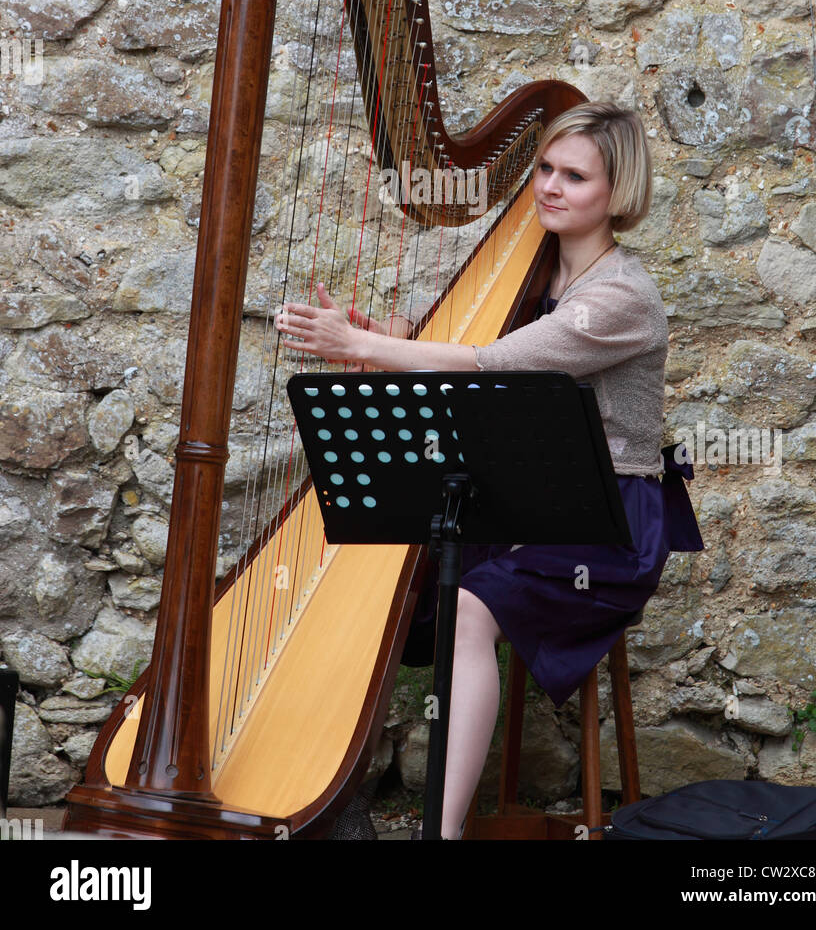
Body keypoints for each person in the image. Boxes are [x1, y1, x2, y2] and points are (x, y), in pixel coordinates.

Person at [274, 100, 703, 840]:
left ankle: (439, 836)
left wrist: (371, 350)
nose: (549, 187)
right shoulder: (536, 278)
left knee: (470, 609)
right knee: (380, 584)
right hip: (517, 503)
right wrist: (397, 337)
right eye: (543, 169)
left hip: (605, 521)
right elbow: (469, 355)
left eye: (575, 176)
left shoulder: (620, 298)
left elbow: (493, 363)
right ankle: (319, 793)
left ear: (618, 193)